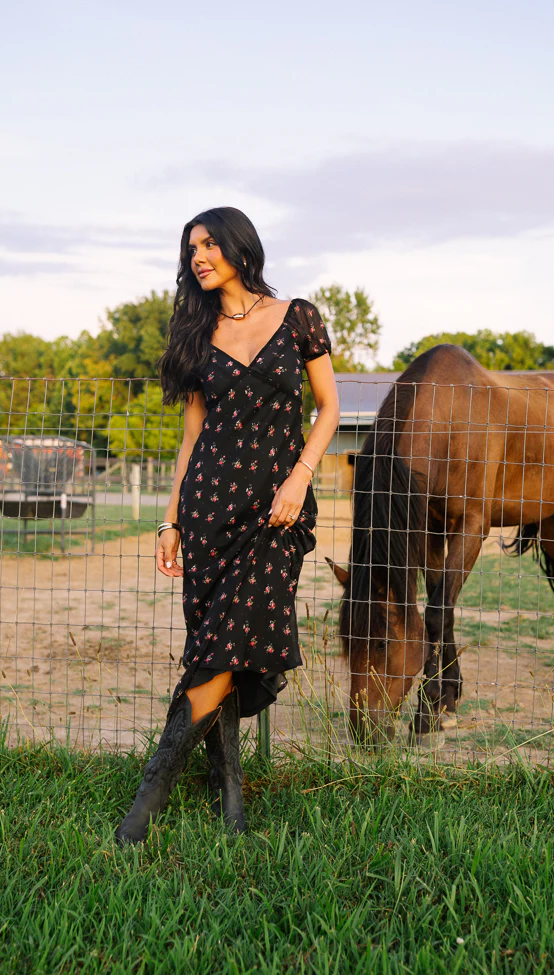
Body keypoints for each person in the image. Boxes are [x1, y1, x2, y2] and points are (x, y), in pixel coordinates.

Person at [116, 206, 340, 843]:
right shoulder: (195, 333)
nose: (199, 256)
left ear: (241, 246)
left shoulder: (298, 317)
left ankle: (148, 799)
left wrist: (299, 476)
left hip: (275, 513)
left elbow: (329, 409)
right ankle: (230, 803)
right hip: (207, 511)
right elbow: (192, 439)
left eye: (211, 243)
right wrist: (170, 521)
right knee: (218, 650)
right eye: (192, 248)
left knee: (223, 646)